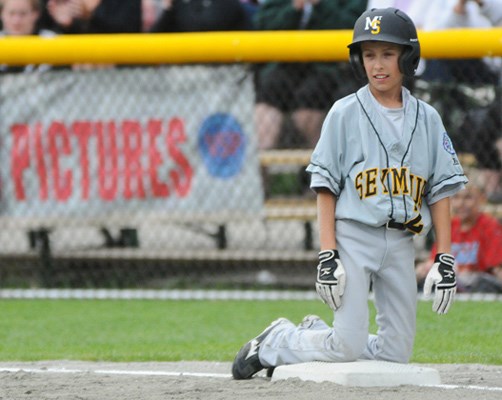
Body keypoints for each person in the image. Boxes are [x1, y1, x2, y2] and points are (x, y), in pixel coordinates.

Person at [232, 7, 467, 380]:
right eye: (369, 54)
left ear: (408, 57)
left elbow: (440, 190)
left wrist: (445, 256)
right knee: (345, 345)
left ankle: (313, 335)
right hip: (354, 235)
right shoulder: (344, 112)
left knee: (395, 354)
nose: (378, 64)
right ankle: (276, 341)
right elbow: (325, 186)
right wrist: (329, 253)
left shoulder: (428, 118)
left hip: (402, 241)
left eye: (388, 53)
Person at [253, 0, 366, 150]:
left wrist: (321, 5)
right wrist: (294, 8)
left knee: (310, 96)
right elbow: (263, 24)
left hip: (330, 67)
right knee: (269, 91)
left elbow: (354, 24)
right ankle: (261, 165)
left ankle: (323, 164)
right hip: (286, 64)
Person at [416, 183, 502, 293]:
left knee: (483, 283)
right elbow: (434, 260)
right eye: (456, 197)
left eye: (468, 198)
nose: (461, 204)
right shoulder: (449, 226)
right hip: (452, 282)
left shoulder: (490, 226)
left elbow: (495, 269)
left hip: (477, 284)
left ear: (481, 199)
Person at [0, 0, 56, 73]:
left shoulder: (51, 41)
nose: (16, 21)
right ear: (1, 14)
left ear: (35, 14)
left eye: (23, 14)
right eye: (11, 13)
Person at [149, 0, 251, 33]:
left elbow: (207, 25)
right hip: (182, 73)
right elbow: (152, 40)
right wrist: (168, 9)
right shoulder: (178, 4)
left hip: (223, 71)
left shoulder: (228, 3)